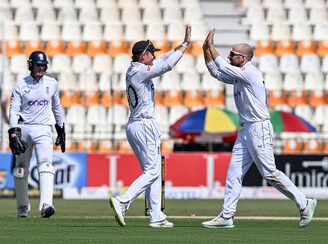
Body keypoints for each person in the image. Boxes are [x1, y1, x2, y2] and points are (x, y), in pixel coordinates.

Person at [201, 29, 317, 229]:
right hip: (245, 130)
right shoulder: (239, 74)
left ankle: (305, 203)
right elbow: (216, 73)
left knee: (269, 173)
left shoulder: (251, 73)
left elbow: (222, 67)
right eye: (229, 53)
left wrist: (212, 47)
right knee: (233, 173)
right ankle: (227, 216)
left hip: (258, 128)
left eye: (233, 54)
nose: (229, 57)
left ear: (243, 58)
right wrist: (205, 51)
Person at [109, 25, 192, 228]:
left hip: (138, 124)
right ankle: (122, 201)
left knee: (151, 171)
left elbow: (162, 61)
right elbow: (166, 66)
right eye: (151, 54)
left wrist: (182, 44)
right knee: (153, 172)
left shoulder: (137, 69)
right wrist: (187, 46)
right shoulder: (138, 71)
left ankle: (156, 216)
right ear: (143, 55)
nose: (154, 57)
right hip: (143, 125)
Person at [8, 50, 66, 218]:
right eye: (38, 65)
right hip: (24, 128)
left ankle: (46, 205)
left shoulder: (52, 83)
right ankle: (23, 209)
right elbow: (14, 109)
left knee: (46, 165)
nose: (41, 68)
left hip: (43, 128)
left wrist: (61, 129)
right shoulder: (21, 84)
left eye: (43, 66)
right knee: (20, 170)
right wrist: (13, 132)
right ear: (30, 65)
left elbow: (57, 107)